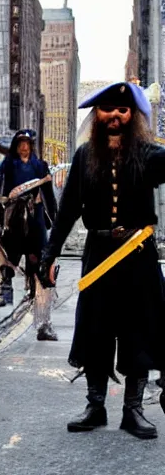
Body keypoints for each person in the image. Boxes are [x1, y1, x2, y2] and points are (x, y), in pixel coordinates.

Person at [38, 82, 165, 439]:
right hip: (98, 255)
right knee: (95, 330)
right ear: (98, 114)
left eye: (123, 110)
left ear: (132, 115)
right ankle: (95, 406)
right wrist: (48, 255)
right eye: (108, 109)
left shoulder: (148, 153)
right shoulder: (84, 156)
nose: (115, 116)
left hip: (138, 255)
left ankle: (133, 410)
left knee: (138, 330)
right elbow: (66, 213)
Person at [0, 129, 57, 338]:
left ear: (31, 145)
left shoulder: (40, 166)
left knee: (41, 268)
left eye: (27, 143)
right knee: (8, 258)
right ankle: (5, 291)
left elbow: (48, 195)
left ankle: (43, 323)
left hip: (35, 219)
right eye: (20, 142)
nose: (24, 147)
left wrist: (55, 219)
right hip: (14, 219)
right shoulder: (8, 165)